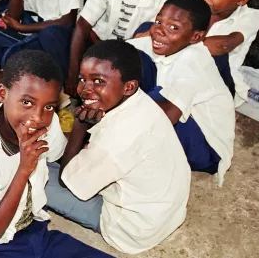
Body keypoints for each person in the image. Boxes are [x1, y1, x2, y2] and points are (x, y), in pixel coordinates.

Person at [0, 50, 112, 258]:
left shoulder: (47, 123)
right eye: (27, 103)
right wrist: (24, 169)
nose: (37, 117)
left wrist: (80, 127)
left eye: (49, 106)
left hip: (32, 228)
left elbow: (61, 157)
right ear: (2, 94)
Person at [45, 40, 191, 254]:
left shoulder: (118, 140)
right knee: (50, 159)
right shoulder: (141, 101)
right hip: (164, 210)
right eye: (82, 79)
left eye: (98, 81)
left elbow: (66, 181)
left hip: (131, 228)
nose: (85, 90)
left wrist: (80, 127)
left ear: (128, 86)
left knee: (31, 174)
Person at [128, 0, 236, 186]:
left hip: (206, 148)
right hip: (178, 117)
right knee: (130, 60)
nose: (159, 31)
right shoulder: (161, 40)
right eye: (159, 21)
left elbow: (168, 116)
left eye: (174, 27)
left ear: (195, 37)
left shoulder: (194, 62)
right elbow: (115, 55)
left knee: (150, 99)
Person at [201, 0, 259, 106]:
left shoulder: (251, 17)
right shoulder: (196, 2)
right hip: (184, 69)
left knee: (216, 56)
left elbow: (224, 45)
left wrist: (178, 41)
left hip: (219, 82)